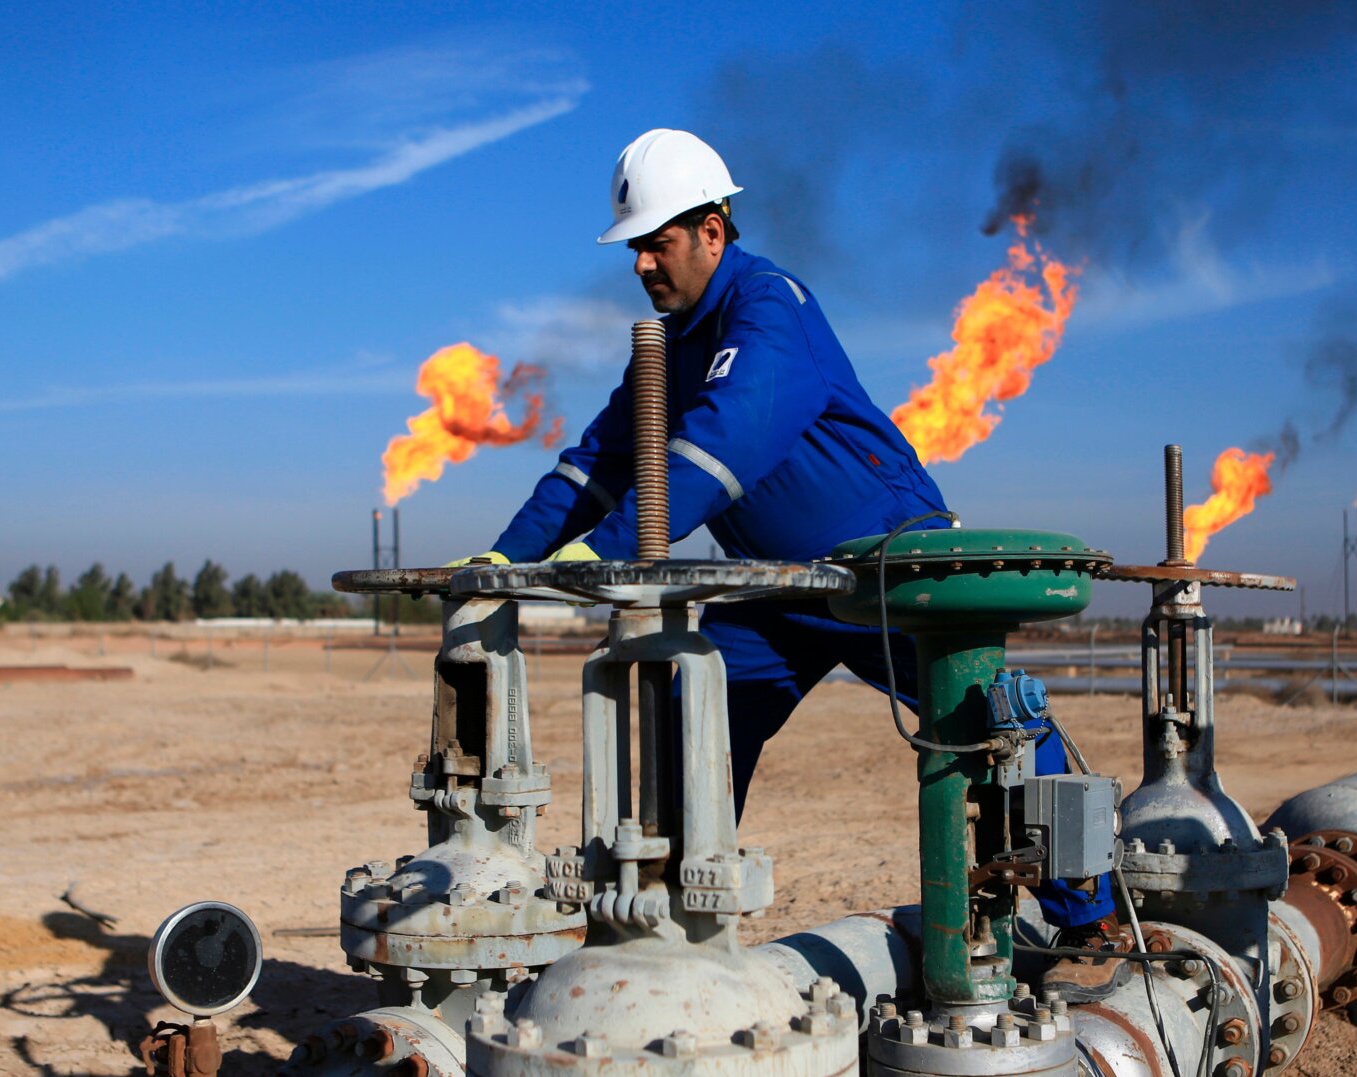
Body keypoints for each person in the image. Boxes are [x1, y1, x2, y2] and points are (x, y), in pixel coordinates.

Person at [461, 128, 1113, 939]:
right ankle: (672, 925)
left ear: (712, 230)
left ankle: (1089, 921)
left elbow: (726, 442)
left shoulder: (770, 305)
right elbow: (597, 465)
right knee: (694, 716)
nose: (640, 265)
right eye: (634, 248)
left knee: (993, 720)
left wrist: (605, 549)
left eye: (657, 244)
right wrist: (505, 556)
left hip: (882, 571)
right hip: (777, 589)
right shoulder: (667, 349)